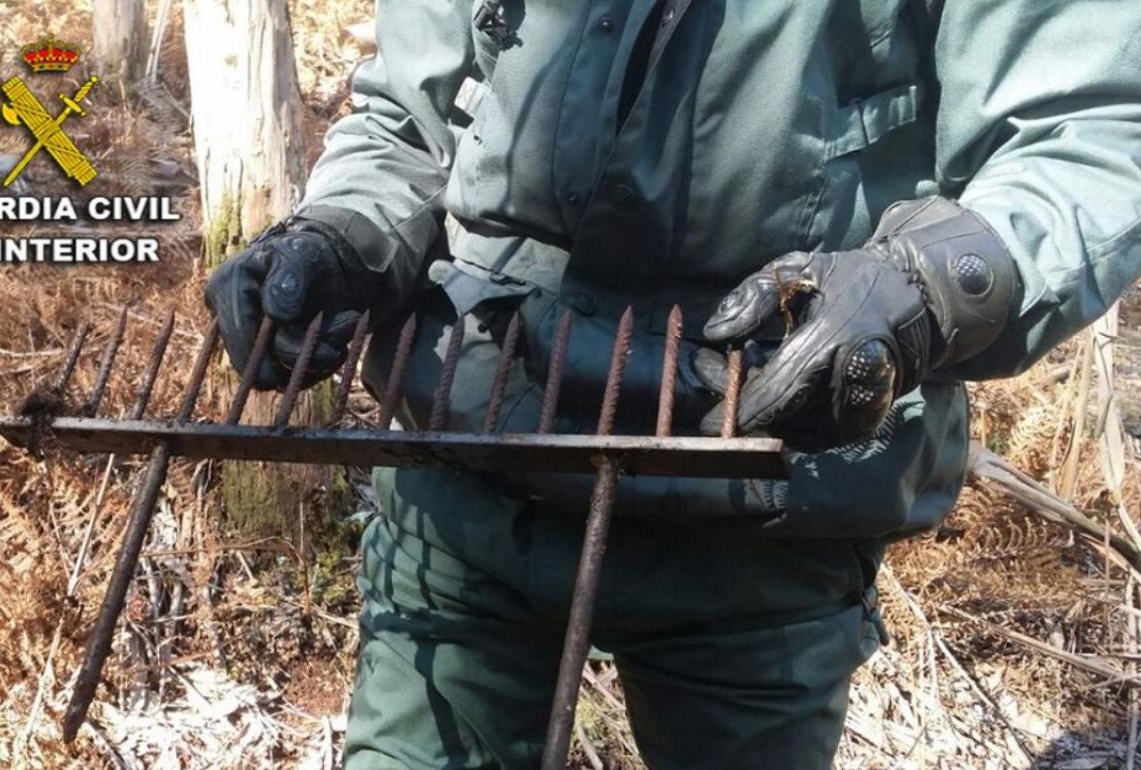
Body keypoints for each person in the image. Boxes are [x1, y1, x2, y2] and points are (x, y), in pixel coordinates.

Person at [205, 1, 1141, 767]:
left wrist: (929, 287)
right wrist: (347, 233)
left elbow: (1089, 132)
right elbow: (407, 118)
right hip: (471, 462)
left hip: (767, 496)